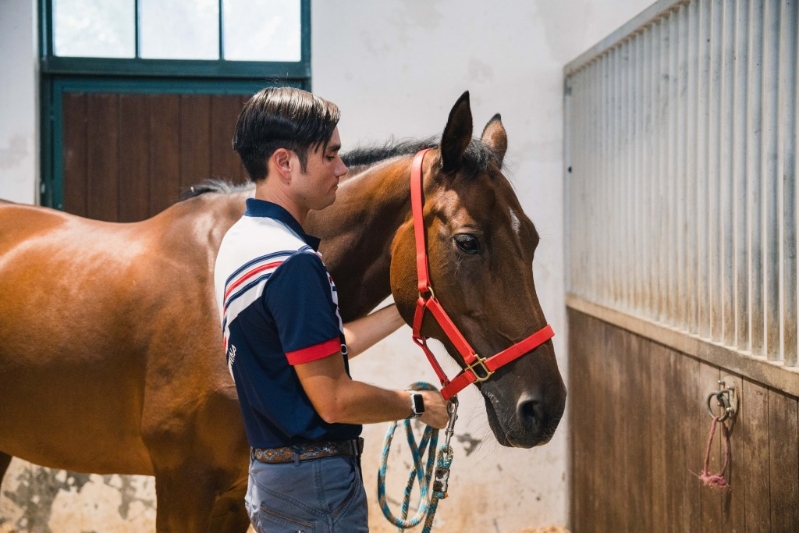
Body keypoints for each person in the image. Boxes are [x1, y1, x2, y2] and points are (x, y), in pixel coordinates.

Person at [213, 86, 449, 533]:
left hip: (273, 477)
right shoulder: (294, 263)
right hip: (314, 487)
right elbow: (334, 401)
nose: (343, 168)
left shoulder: (241, 241)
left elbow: (315, 354)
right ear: (284, 163)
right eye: (330, 155)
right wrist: (415, 403)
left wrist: (406, 308)